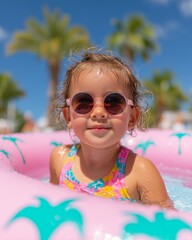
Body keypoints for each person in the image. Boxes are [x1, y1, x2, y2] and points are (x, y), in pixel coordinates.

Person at [50, 47, 174, 209]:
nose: (99, 112)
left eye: (113, 102)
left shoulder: (140, 172)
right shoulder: (59, 159)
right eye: (84, 102)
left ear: (132, 118)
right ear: (68, 117)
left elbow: (167, 225)